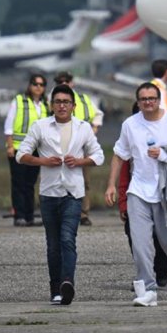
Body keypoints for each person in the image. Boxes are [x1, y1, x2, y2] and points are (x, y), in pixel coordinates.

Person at [105, 82, 167, 307]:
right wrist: (111, 186)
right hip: (139, 191)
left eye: (152, 98)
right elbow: (119, 155)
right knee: (140, 243)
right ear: (137, 102)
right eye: (143, 99)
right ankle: (148, 289)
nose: (148, 102)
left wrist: (164, 153)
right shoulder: (130, 125)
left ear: (159, 99)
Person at [16, 84, 105, 305]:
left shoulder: (83, 127)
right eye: (58, 102)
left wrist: (81, 161)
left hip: (73, 193)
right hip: (49, 192)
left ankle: (67, 283)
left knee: (67, 240)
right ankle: (55, 288)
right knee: (53, 244)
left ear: (73, 106)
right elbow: (21, 155)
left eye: (66, 102)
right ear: (51, 105)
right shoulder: (40, 126)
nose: (62, 106)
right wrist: (42, 161)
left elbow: (99, 155)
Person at [119, 102, 167, 288]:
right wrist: (123, 204)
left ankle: (162, 271)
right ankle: (144, 275)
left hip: (162, 197)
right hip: (137, 196)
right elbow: (123, 176)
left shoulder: (165, 138)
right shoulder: (129, 142)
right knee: (136, 238)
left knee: (161, 238)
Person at [54, 71, 104, 227]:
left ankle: (83, 214)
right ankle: (60, 213)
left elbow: (98, 114)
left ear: (72, 82)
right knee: (57, 181)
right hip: (59, 146)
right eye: (60, 81)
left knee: (84, 181)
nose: (63, 83)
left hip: (81, 147)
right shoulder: (52, 101)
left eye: (66, 81)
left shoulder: (83, 99)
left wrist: (94, 129)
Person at [4, 74, 49, 227]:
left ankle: (29, 216)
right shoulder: (18, 101)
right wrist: (10, 146)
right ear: (30, 86)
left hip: (35, 151)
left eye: (41, 85)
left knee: (30, 183)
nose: (38, 87)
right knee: (18, 183)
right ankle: (19, 216)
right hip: (18, 149)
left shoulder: (44, 106)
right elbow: (9, 125)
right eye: (35, 84)